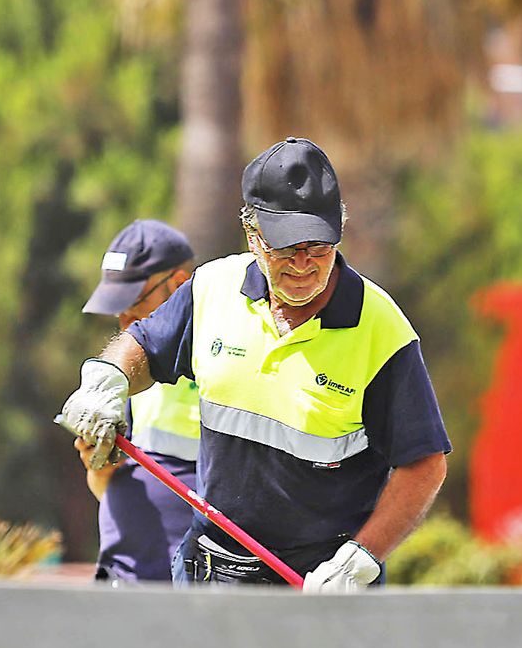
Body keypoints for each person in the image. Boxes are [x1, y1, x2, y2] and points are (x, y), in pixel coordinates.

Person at [58, 137, 450, 592]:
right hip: (209, 574)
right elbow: (143, 346)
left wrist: (363, 556)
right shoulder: (211, 290)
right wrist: (106, 380)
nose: (303, 264)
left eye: (318, 246)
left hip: (322, 587)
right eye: (285, 248)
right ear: (252, 236)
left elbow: (424, 463)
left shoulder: (382, 329)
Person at [75, 220, 201, 584]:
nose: (124, 320)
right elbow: (107, 488)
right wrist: (97, 468)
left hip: (193, 592)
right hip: (125, 579)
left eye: (133, 303)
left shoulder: (228, 360)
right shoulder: (125, 373)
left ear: (179, 285)